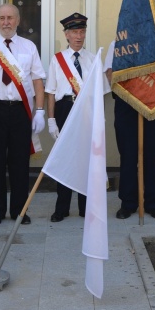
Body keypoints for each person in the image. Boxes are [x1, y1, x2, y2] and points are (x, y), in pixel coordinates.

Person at [0, 3, 46, 225]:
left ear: (18, 21)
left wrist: (39, 111)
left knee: (20, 163)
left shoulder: (29, 47)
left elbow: (38, 80)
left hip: (20, 111)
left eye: (10, 18)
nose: (6, 22)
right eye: (2, 18)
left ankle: (20, 210)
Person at [105, 42, 155, 220]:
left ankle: (153, 203)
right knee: (128, 155)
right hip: (126, 104)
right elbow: (109, 74)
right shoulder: (118, 43)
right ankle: (128, 203)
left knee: (152, 156)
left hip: (153, 103)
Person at [45, 13, 93, 222]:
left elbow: (98, 92)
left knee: (85, 159)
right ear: (66, 34)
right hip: (65, 107)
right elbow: (51, 92)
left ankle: (85, 206)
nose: (79, 36)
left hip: (85, 110)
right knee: (65, 157)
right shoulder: (57, 60)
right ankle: (61, 207)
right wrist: (51, 119)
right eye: (74, 32)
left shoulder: (92, 59)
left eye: (82, 31)